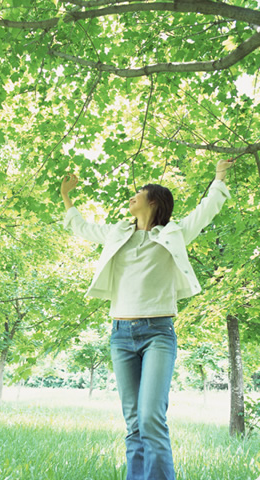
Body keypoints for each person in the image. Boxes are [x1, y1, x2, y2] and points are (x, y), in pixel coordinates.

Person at [60, 159, 233, 480]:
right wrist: (67, 197)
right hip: (121, 334)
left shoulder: (174, 233)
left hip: (158, 334)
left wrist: (219, 177)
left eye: (139, 192)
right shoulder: (117, 233)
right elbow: (82, 227)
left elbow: (206, 210)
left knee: (151, 417)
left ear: (153, 200)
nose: (132, 196)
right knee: (134, 422)